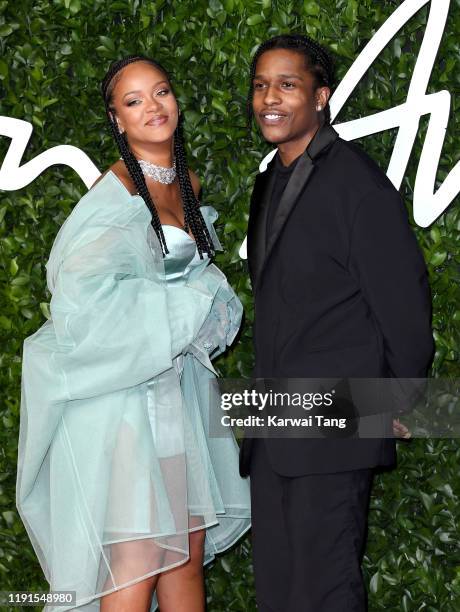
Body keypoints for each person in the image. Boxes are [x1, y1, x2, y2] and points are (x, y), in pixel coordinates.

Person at [16, 55, 250, 612]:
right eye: (134, 100)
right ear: (117, 121)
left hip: (176, 396)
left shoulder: (185, 183)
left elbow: (196, 281)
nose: (152, 106)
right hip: (122, 401)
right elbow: (78, 296)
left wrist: (202, 307)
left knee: (187, 551)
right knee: (139, 556)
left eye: (161, 92)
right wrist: (183, 309)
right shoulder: (114, 193)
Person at [239, 34, 434, 612]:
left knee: (323, 595)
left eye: (287, 84)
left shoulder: (358, 185)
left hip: (336, 423)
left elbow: (405, 307)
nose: (269, 97)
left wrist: (395, 402)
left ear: (321, 96)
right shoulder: (269, 180)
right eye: (260, 85)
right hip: (274, 426)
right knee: (279, 593)